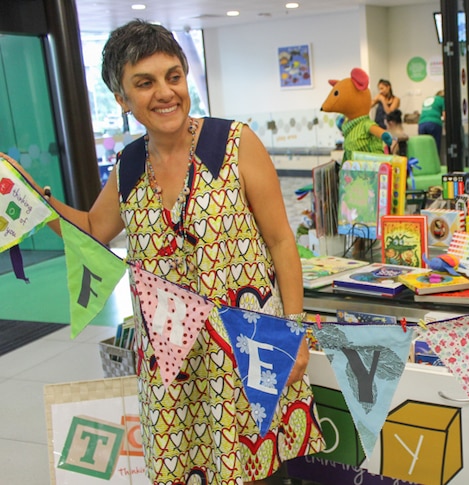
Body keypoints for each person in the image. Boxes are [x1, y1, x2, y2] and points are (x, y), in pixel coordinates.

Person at [3, 20, 323, 484]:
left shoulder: (233, 144)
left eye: (173, 76)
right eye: (145, 83)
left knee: (257, 473)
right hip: (171, 364)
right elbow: (95, 228)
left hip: (248, 353)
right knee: (187, 472)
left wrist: (295, 333)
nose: (165, 93)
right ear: (122, 99)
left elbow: (280, 242)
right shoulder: (130, 164)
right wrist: (34, 200)